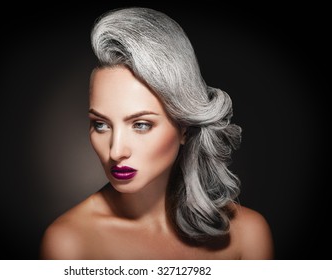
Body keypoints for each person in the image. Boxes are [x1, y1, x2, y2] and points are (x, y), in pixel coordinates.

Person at [40, 6, 274, 260]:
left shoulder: (247, 234)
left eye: (141, 124)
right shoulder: (69, 243)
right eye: (101, 124)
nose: (116, 151)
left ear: (184, 127)